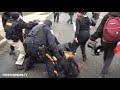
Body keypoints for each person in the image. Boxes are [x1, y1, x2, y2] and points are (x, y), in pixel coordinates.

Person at [88, 12, 120, 78]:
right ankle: (103, 72)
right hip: (115, 42)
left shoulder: (107, 16)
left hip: (105, 41)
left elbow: (100, 29)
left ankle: (105, 67)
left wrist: (92, 38)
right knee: (110, 56)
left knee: (106, 54)